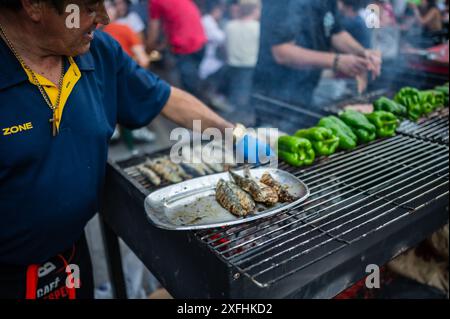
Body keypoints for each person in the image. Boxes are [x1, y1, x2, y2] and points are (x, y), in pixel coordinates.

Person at [0, 0, 271, 299]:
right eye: (89, 7)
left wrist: (234, 134)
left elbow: (163, 97)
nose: (102, 18)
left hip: (71, 256)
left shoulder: (98, 50)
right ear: (34, 6)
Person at [253, 0, 382, 109]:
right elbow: (281, 52)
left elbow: (335, 32)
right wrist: (336, 61)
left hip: (306, 86)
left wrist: (362, 52)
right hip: (275, 92)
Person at [147, 0, 207, 99]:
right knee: (193, 82)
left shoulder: (155, 1)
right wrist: (163, 45)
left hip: (186, 47)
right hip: (201, 42)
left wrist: (148, 49)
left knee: (190, 90)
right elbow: (175, 22)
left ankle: (196, 109)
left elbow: (153, 30)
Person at [225, 0, 261, 109]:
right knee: (245, 92)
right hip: (250, 65)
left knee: (234, 89)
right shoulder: (257, 27)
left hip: (232, 63)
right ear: (254, 10)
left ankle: (233, 112)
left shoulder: (230, 25)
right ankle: (240, 115)